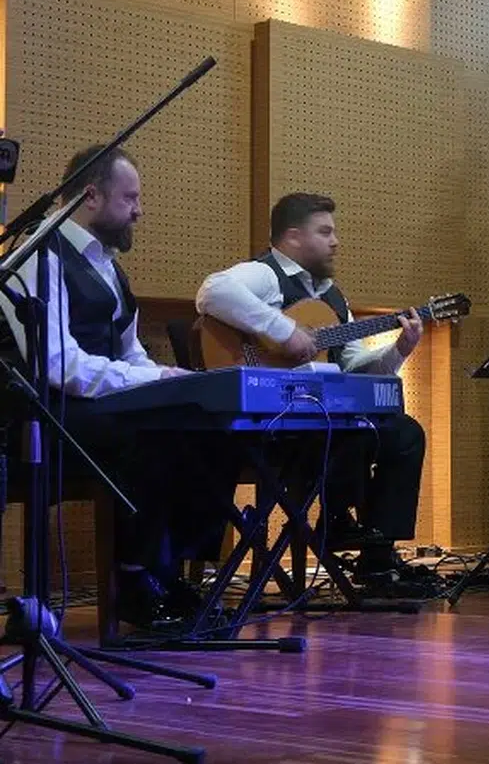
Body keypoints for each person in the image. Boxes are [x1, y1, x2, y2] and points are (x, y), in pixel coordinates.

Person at [0, 144, 227, 628]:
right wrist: (151, 382)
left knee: (206, 421)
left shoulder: (109, 266)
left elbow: (130, 353)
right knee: (149, 434)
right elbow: (57, 365)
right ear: (90, 196)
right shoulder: (39, 256)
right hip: (40, 413)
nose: (139, 210)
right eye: (130, 198)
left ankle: (171, 569)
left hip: (91, 409)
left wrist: (164, 382)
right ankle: (134, 579)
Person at [196, 192, 427, 587]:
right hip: (268, 427)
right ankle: (336, 519)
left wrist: (399, 350)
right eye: (325, 232)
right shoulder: (266, 275)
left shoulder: (334, 297)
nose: (335, 241)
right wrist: (283, 331)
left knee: (403, 432)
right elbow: (212, 292)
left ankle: (376, 557)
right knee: (350, 428)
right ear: (293, 237)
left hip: (315, 425)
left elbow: (355, 369)